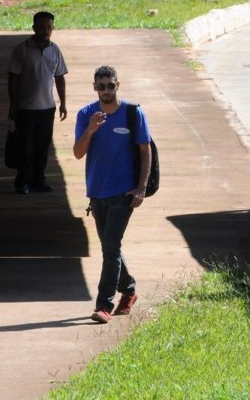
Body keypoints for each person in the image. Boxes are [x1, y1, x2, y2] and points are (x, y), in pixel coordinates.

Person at [73, 65, 152, 324]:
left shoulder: (132, 113)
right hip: (96, 193)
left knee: (110, 246)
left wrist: (141, 187)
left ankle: (104, 304)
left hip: (123, 192)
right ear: (94, 87)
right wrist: (91, 129)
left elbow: (144, 150)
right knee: (111, 247)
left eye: (110, 85)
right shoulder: (86, 114)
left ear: (118, 85)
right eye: (100, 86)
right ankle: (128, 289)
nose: (105, 90)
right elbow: (78, 152)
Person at [7, 10, 68, 194]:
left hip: (47, 108)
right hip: (25, 109)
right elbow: (13, 79)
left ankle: (38, 181)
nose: (45, 31)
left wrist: (63, 103)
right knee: (25, 147)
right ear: (34, 28)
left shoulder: (55, 50)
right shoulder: (22, 50)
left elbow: (60, 78)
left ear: (53, 28)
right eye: (41, 27)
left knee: (42, 148)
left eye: (49, 27)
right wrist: (13, 105)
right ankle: (22, 181)